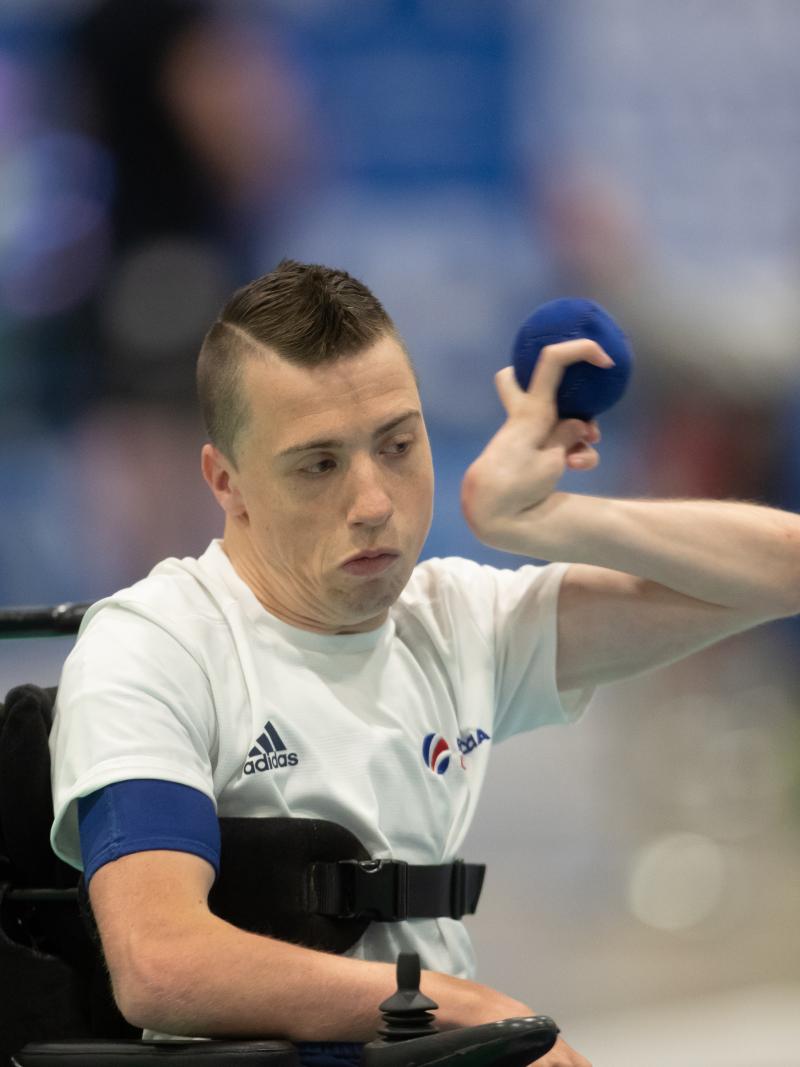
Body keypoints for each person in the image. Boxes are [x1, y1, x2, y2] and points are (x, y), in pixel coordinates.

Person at [49, 260, 800, 1067]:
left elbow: (782, 570)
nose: (374, 501)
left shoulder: (457, 622)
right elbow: (162, 963)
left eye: (398, 444)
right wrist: (463, 1009)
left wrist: (546, 519)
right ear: (227, 483)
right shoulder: (156, 645)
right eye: (319, 464)